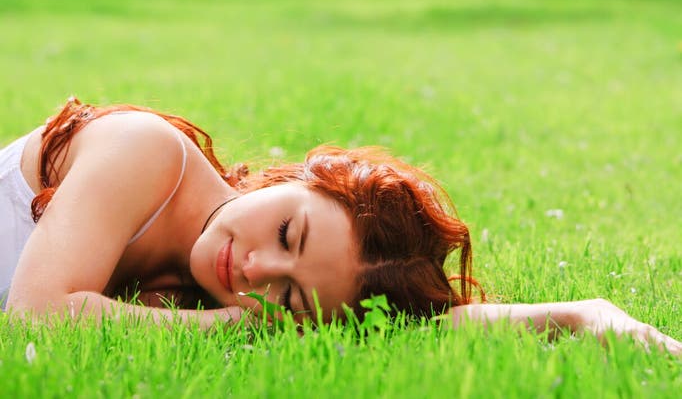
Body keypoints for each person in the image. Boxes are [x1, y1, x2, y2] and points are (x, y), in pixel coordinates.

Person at [1, 98, 680, 355]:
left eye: (290, 298)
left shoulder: (206, 276)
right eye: (290, 234)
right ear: (301, 177)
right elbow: (34, 315)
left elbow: (407, 324)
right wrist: (228, 326)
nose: (258, 272)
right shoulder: (145, 152)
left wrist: (584, 315)